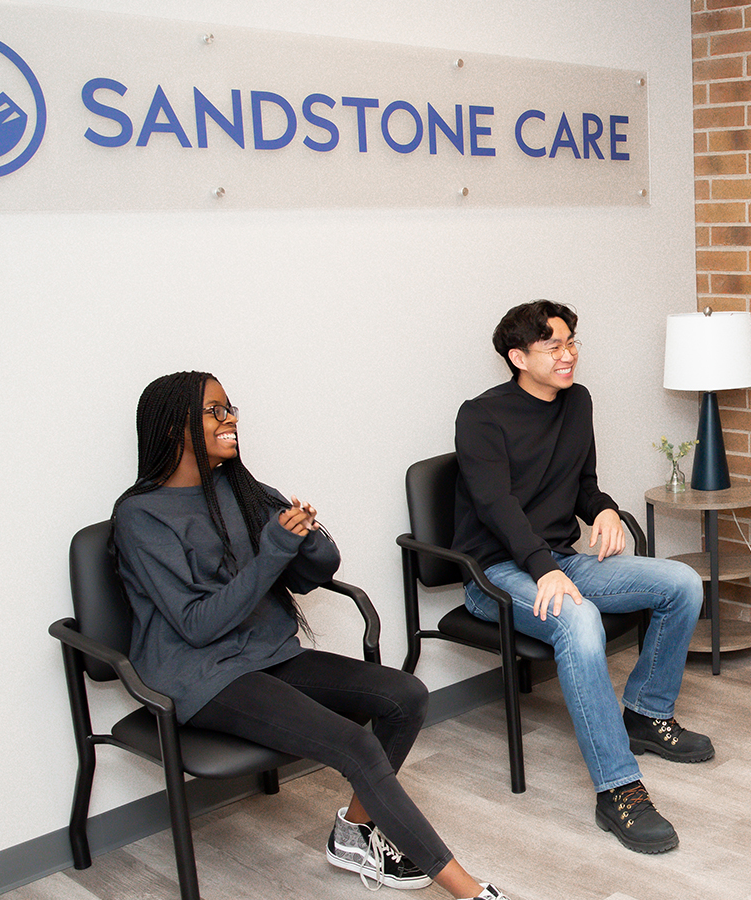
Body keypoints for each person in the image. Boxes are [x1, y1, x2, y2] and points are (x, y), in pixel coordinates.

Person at [111, 372, 506, 899]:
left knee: (405, 695)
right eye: (213, 411)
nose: (230, 420)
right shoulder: (140, 516)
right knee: (354, 744)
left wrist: (309, 540)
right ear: (170, 427)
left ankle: (353, 834)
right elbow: (197, 625)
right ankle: (470, 892)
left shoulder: (242, 489)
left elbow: (304, 577)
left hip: (265, 654)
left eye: (230, 408)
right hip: (200, 675)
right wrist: (276, 547)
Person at [454, 300, 711, 854]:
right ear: (518, 357)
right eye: (553, 346)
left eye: (571, 342)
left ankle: (647, 714)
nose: (568, 354)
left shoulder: (577, 402)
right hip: (495, 575)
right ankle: (617, 788)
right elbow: (497, 507)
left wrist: (605, 510)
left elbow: (583, 486)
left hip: (557, 560)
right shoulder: (481, 417)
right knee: (580, 621)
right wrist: (543, 569)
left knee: (682, 583)